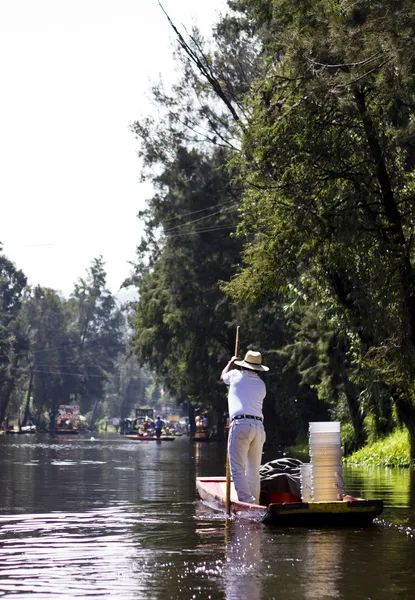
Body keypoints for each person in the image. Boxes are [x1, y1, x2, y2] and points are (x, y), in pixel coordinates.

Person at [221, 350, 268, 504]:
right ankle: (255, 504)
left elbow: (223, 377)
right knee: (253, 470)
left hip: (241, 425)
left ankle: (247, 503)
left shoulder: (234, 374)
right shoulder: (261, 384)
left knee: (237, 469)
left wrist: (231, 361)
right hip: (259, 428)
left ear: (244, 365)